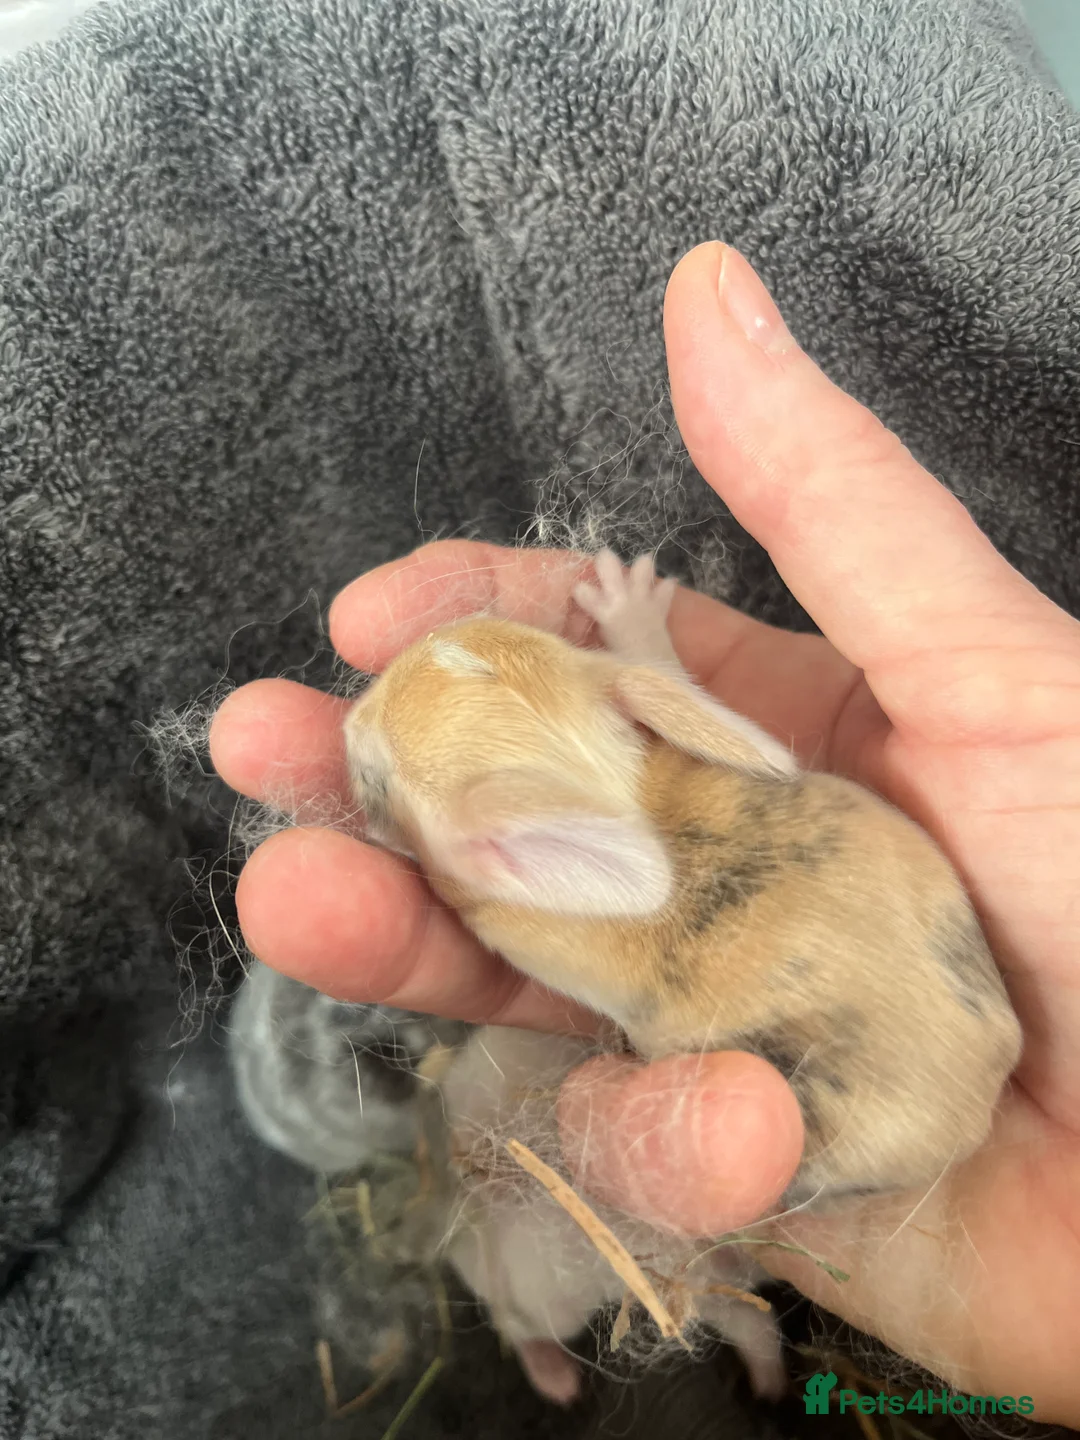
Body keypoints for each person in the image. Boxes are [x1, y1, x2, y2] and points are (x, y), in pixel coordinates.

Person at [210, 244, 1080, 1425]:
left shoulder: (535, 905)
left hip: (891, 1100)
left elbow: (623, 974)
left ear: (504, 850)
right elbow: (724, 740)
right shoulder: (657, 739)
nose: (360, 748)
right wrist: (638, 647)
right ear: (630, 704)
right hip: (909, 949)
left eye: (387, 768)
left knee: (686, 1075)